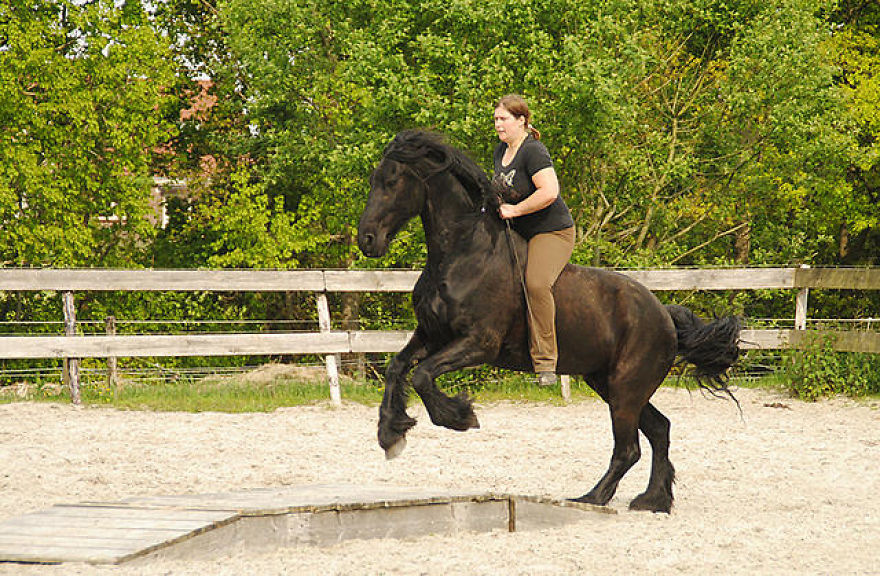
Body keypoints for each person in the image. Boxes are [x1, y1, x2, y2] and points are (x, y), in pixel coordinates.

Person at [492, 94, 575, 387]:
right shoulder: (500, 151)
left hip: (551, 232)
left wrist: (515, 209)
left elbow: (549, 192)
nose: (498, 124)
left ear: (521, 121)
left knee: (536, 284)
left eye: (503, 119)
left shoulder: (534, 151)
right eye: (496, 119)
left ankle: (546, 363)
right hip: (519, 232)